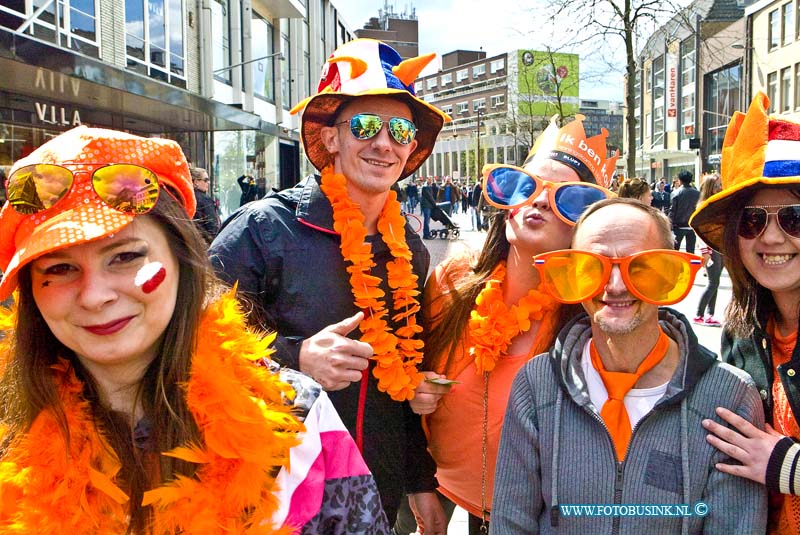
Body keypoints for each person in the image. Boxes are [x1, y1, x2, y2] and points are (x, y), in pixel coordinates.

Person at [0, 126, 389, 534]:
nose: (94, 295)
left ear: (184, 261)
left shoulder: (295, 416)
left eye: (125, 256)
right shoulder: (11, 436)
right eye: (60, 268)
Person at [208, 39, 450, 532]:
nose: (384, 142)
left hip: (375, 495)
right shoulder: (261, 230)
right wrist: (297, 361)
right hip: (276, 491)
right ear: (333, 139)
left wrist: (420, 480)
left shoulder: (410, 249)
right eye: (364, 126)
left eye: (401, 130)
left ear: (410, 149)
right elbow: (193, 351)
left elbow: (400, 377)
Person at [491, 196, 767, 534]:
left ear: (667, 274)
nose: (616, 286)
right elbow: (510, 522)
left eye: (639, 266)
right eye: (594, 266)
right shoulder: (537, 385)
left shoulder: (728, 397)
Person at [408, 115, 617, 534]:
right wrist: (411, 390)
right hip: (433, 490)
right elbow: (399, 375)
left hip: (528, 516)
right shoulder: (452, 279)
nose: (539, 202)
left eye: (567, 199)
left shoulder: (593, 313)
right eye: (527, 186)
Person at [691, 92, 800, 533]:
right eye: (752, 221)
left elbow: (768, 459)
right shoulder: (742, 331)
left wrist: (786, 465)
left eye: (794, 218)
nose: (771, 238)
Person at [692, 173, 723, 327]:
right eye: (717, 186)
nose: (720, 188)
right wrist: (705, 251)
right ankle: (699, 314)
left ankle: (709, 314)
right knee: (712, 282)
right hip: (710, 249)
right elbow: (699, 231)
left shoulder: (718, 203)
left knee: (715, 283)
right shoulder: (703, 206)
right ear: (710, 188)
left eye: (720, 185)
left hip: (720, 247)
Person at [669, 170, 700, 253]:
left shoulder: (675, 193)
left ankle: (676, 265)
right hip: (692, 225)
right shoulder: (697, 193)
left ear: (680, 180)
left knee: (675, 251)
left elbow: (672, 211)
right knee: (691, 251)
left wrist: (669, 225)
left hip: (678, 226)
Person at [190, 166, 220, 244]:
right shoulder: (204, 200)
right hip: (205, 243)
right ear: (196, 182)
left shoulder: (187, 197)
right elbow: (212, 226)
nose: (208, 183)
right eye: (205, 180)